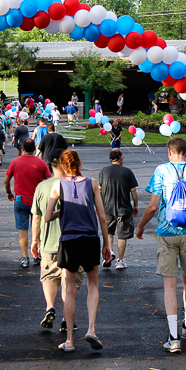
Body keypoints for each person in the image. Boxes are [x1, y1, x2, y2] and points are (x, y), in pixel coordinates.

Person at [135, 137, 186, 353]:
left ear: (169, 152)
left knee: (169, 284)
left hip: (167, 233)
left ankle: (173, 337)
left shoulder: (162, 170)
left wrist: (141, 226)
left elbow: (153, 207)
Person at [45, 150, 111, 352]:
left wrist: (62, 210)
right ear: (79, 163)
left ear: (63, 166)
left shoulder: (57, 185)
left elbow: (47, 217)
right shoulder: (92, 183)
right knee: (93, 284)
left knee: (70, 288)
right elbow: (101, 216)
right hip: (90, 238)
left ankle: (70, 340)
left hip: (68, 240)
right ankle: (91, 328)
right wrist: (107, 244)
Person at [30, 152, 84, 331]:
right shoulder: (77, 185)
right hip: (73, 242)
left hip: (49, 242)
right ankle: (66, 318)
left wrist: (35, 240)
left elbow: (36, 217)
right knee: (69, 281)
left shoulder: (42, 187)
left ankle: (50, 307)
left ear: (50, 168)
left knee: (49, 276)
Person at [4, 139, 51, 268]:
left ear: (23, 148)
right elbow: (49, 180)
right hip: (37, 200)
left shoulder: (15, 161)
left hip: (20, 199)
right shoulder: (41, 163)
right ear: (34, 150)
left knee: (22, 229)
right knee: (38, 228)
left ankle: (25, 258)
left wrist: (9, 192)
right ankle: (37, 254)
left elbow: (6, 180)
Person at [97, 149, 139, 270]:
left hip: (107, 207)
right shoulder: (127, 172)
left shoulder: (103, 171)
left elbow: (99, 189)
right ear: (120, 157)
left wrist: (99, 206)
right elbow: (133, 190)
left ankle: (110, 252)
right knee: (123, 235)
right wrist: (135, 205)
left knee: (109, 232)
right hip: (124, 208)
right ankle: (120, 261)